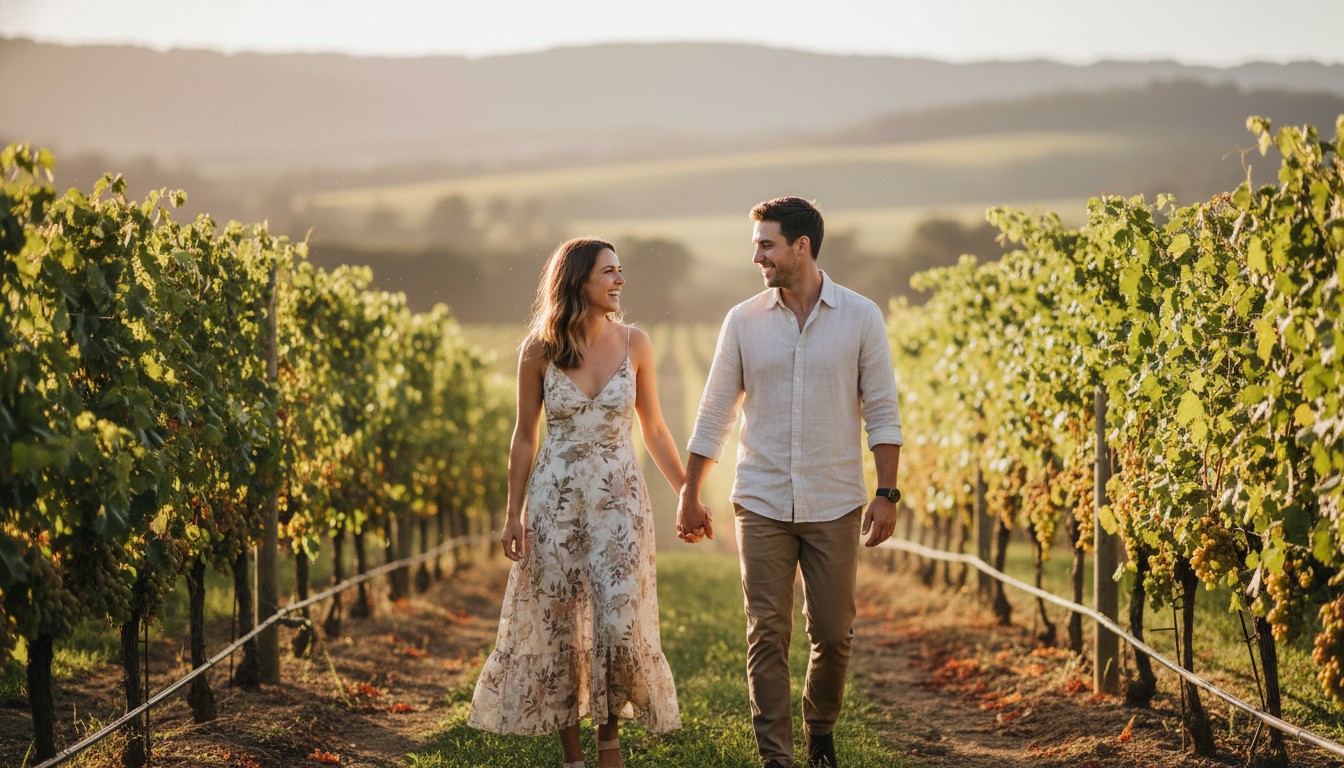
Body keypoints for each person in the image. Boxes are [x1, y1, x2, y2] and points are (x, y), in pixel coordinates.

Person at [677, 197, 903, 768]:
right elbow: (713, 414)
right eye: (756, 244)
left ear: (801, 246)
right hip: (761, 500)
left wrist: (886, 491)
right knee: (766, 635)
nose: (756, 256)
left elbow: (882, 411)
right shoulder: (742, 321)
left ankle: (820, 727)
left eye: (766, 244)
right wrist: (689, 491)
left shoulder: (861, 316)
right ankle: (775, 758)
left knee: (833, 633)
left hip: (835, 502)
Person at [469, 237, 685, 768]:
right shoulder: (538, 350)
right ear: (577, 283)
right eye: (609, 272)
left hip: (619, 504)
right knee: (560, 625)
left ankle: (608, 744)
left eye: (620, 270)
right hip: (555, 504)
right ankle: (573, 758)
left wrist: (688, 493)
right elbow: (524, 436)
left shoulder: (636, 343)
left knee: (618, 622)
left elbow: (653, 428)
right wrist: (513, 513)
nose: (620, 281)